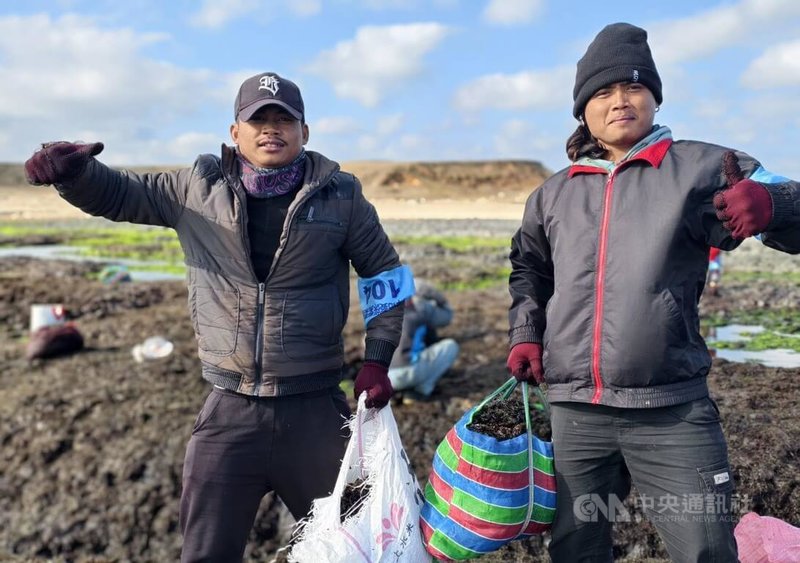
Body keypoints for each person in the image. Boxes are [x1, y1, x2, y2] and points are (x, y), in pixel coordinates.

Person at [24, 72, 415, 562]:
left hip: (316, 409)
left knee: (354, 550)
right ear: (236, 132)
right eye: (258, 119)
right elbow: (120, 194)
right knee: (205, 554)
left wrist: (378, 359)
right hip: (229, 412)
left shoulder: (342, 197)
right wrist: (72, 174)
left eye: (283, 119)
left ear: (304, 132)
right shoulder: (195, 187)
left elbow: (385, 275)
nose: (270, 129)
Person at [505, 23, 800, 563]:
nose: (620, 100)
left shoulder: (706, 169)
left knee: (706, 549)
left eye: (634, 87)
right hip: (575, 410)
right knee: (575, 547)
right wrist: (526, 334)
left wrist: (775, 206)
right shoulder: (551, 194)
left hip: (671, 410)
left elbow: (790, 202)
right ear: (583, 109)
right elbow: (529, 270)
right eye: (603, 91)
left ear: (654, 97)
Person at [388, 281, 459, 398]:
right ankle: (421, 390)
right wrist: (438, 297)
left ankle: (395, 392)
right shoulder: (419, 313)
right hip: (407, 371)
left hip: (386, 378)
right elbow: (446, 319)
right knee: (451, 346)